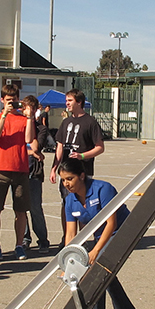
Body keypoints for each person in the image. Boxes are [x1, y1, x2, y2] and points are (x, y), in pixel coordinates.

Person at [59, 158, 135, 309]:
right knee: (105, 272)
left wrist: (95, 252)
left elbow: (112, 223)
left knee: (97, 270)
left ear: (81, 176)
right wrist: (68, 264)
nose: (66, 184)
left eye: (69, 179)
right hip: (101, 236)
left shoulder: (103, 189)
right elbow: (71, 235)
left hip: (123, 232)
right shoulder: (70, 201)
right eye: (63, 180)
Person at [0, 83, 36, 260]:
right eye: (8, 100)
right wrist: (5, 115)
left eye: (14, 100)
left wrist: (29, 118)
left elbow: (29, 139)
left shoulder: (23, 119)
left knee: (21, 211)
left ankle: (19, 245)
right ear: (2, 100)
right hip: (0, 169)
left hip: (20, 170)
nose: (12, 103)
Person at [51, 89, 105, 236]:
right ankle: (67, 237)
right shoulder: (66, 122)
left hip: (83, 172)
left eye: (70, 100)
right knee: (66, 204)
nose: (67, 103)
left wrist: (82, 156)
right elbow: (60, 147)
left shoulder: (90, 122)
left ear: (79, 102)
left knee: (83, 205)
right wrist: (54, 168)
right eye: (66, 101)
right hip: (66, 171)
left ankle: (83, 238)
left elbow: (100, 147)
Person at [20, 94, 51, 251]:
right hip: (19, 171)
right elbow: (16, 149)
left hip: (34, 172)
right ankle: (25, 238)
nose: (30, 111)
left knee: (35, 207)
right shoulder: (18, 125)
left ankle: (43, 239)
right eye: (27, 109)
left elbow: (35, 147)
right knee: (20, 209)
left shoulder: (41, 128)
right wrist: (30, 152)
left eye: (33, 109)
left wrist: (30, 121)